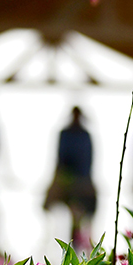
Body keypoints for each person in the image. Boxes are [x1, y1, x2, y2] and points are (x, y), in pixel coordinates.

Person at [44, 106, 96, 250]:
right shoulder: (65, 134)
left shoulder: (84, 135)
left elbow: (89, 160)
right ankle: (61, 246)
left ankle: (75, 248)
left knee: (80, 219)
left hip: (80, 182)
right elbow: (60, 158)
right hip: (67, 179)